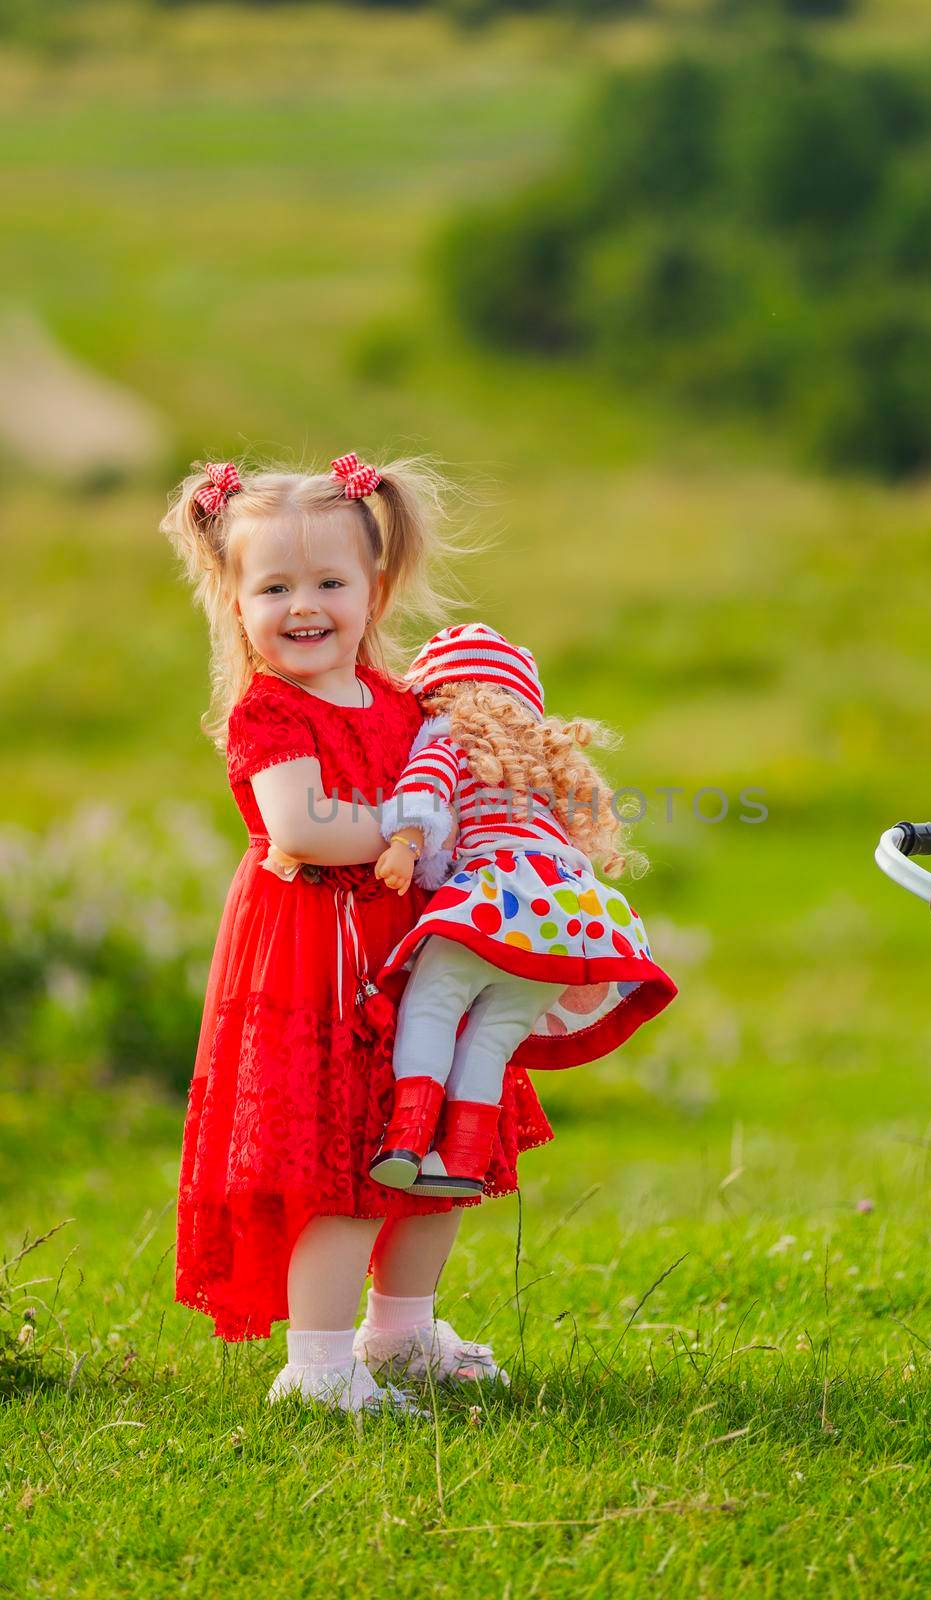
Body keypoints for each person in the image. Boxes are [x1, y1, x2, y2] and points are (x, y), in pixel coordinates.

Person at [162, 453, 545, 1412]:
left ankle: (402, 1330)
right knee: (340, 1159)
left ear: (374, 590)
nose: (305, 605)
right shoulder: (269, 712)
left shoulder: (403, 702)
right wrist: (417, 828)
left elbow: (468, 780)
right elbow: (300, 827)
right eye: (275, 586)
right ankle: (320, 1363)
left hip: (414, 951)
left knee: (434, 1150)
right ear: (234, 599)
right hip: (317, 959)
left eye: (329, 582)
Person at [368, 622, 678, 1198]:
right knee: (494, 1037)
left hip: (491, 903)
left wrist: (405, 846)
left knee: (433, 1007)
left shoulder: (448, 741)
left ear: (442, 695)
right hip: (566, 919)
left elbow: (424, 790)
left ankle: (407, 1138)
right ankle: (461, 1159)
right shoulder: (544, 765)